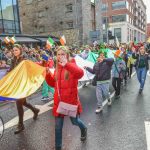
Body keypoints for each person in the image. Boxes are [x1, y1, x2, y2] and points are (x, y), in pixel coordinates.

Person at [45, 46, 87, 150]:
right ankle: (58, 147)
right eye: (58, 54)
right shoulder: (57, 67)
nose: (60, 56)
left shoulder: (72, 64)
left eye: (62, 54)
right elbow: (53, 84)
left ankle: (84, 129)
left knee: (75, 122)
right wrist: (47, 75)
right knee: (58, 127)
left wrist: (67, 65)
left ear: (67, 55)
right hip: (59, 102)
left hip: (70, 101)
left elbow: (80, 73)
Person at [10, 44, 40, 134]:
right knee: (24, 102)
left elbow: (30, 70)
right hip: (17, 84)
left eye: (16, 50)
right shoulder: (13, 60)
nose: (15, 51)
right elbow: (11, 71)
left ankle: (21, 125)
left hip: (23, 84)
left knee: (19, 103)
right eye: (13, 50)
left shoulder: (24, 59)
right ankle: (35, 110)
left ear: (20, 50)